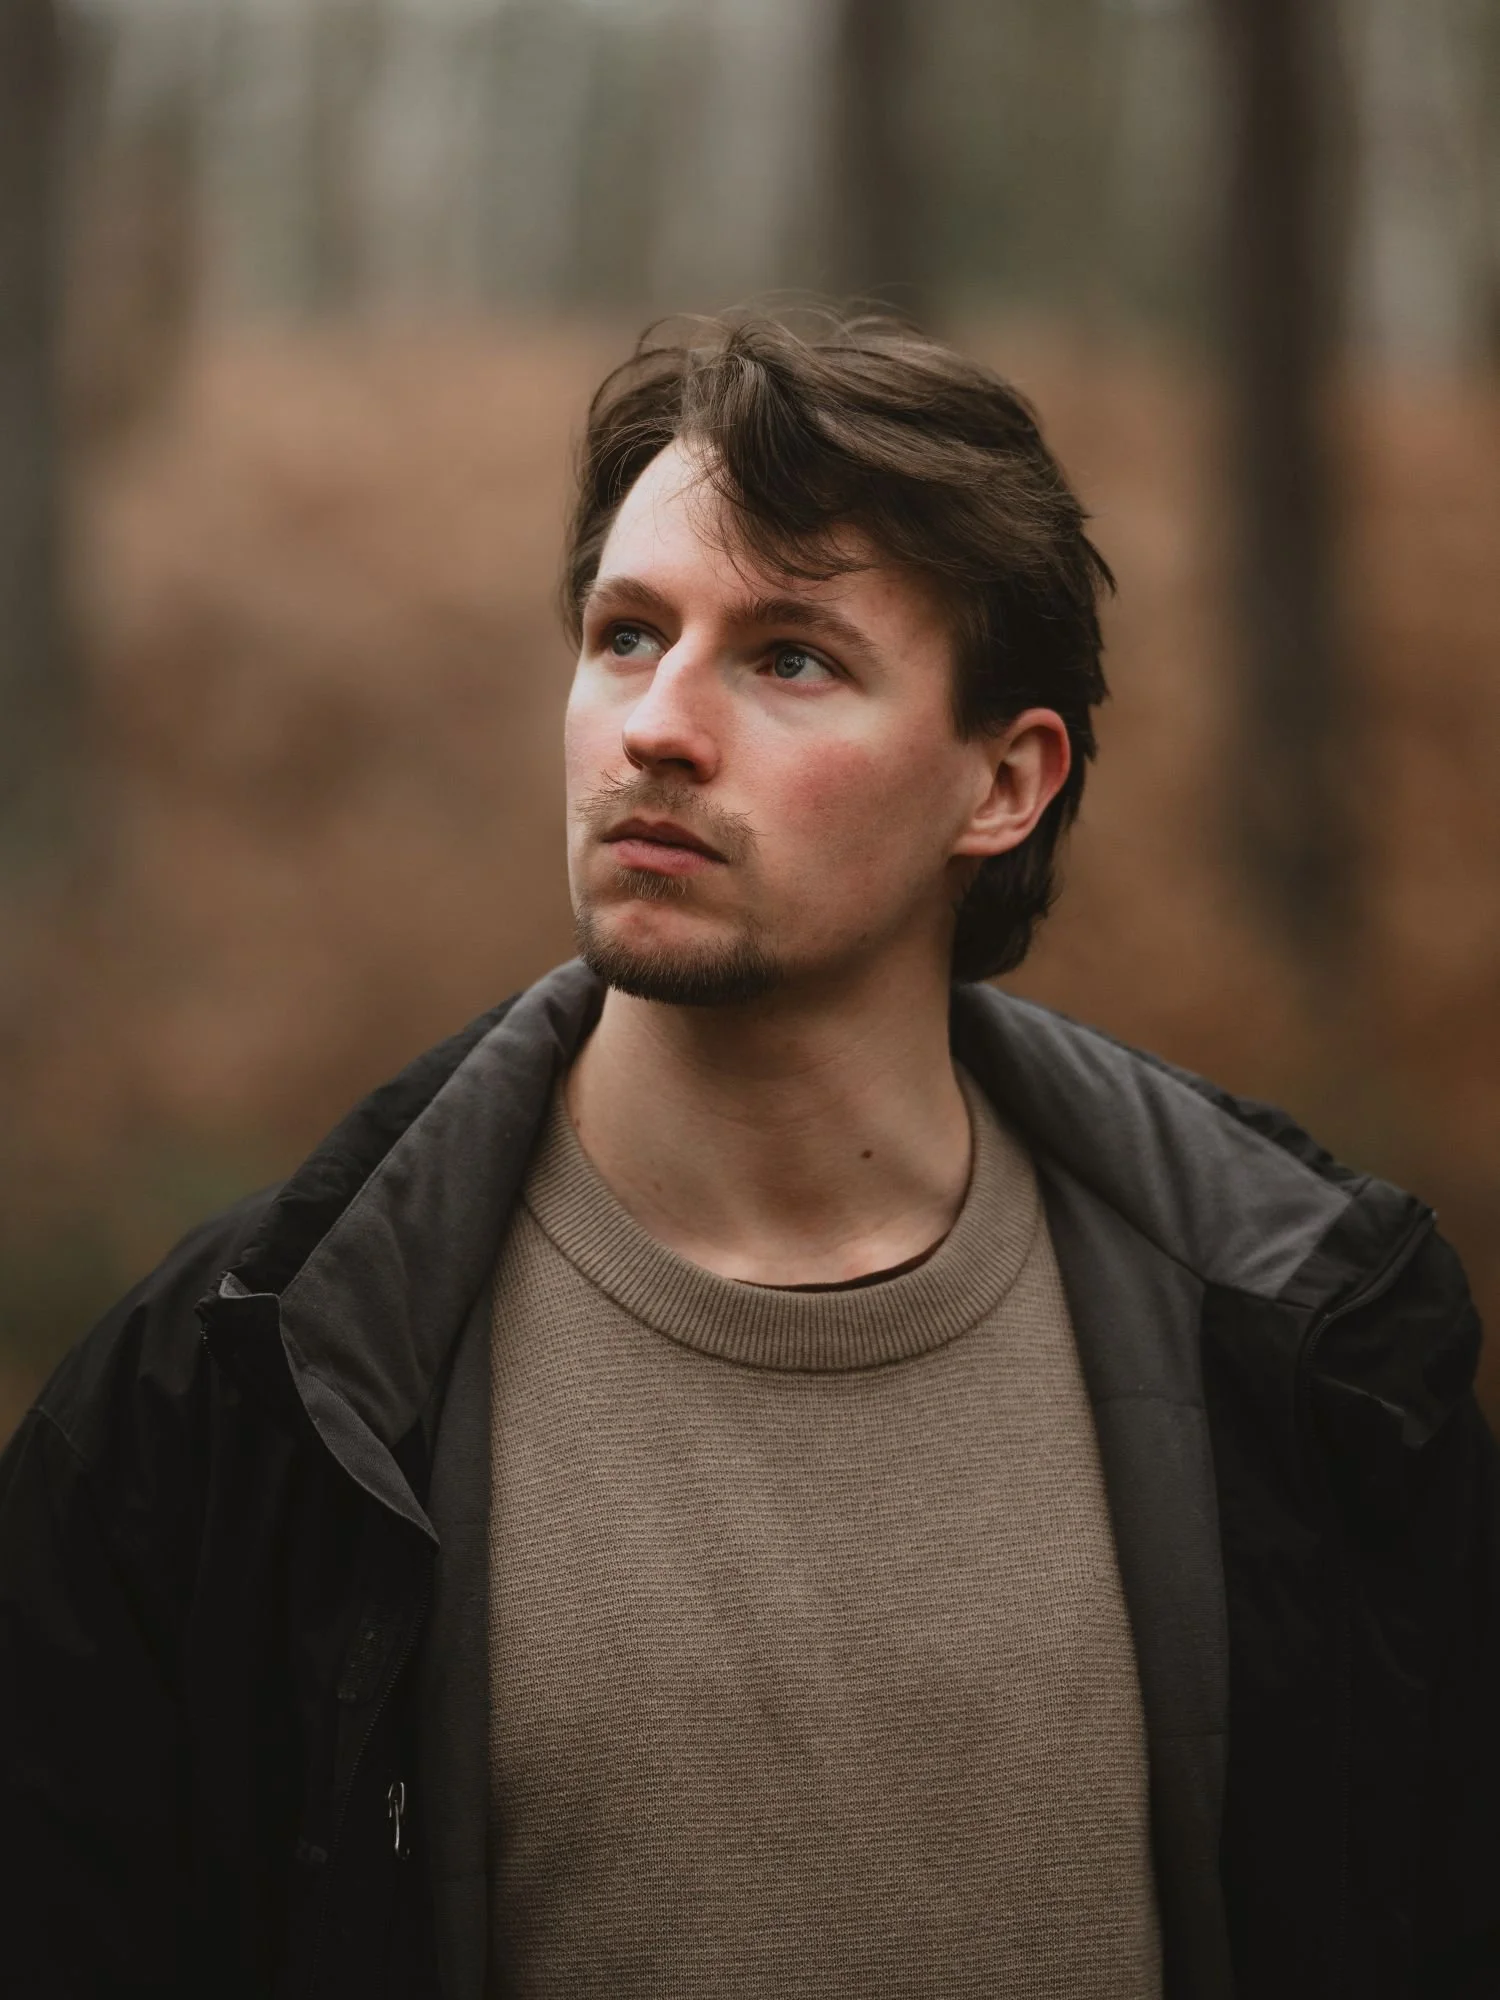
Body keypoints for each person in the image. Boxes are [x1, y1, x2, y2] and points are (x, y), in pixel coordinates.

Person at [1, 311, 1495, 2000]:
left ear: (1004, 784)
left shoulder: (1317, 1367)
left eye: (791, 659)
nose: (658, 725)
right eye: (628, 634)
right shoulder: (232, 1398)